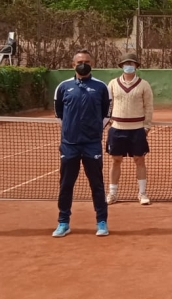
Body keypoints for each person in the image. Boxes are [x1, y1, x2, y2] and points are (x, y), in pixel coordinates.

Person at [52, 50, 112, 238]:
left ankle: (101, 222)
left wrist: (95, 131)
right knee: (66, 184)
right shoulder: (63, 87)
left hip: (92, 144)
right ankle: (63, 222)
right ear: (73, 65)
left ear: (92, 64)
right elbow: (59, 113)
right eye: (79, 61)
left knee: (97, 185)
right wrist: (70, 131)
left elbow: (107, 113)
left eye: (86, 61)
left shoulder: (101, 87)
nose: (83, 64)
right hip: (69, 145)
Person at [106, 53, 154, 205]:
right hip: (117, 129)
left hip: (137, 129)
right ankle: (112, 194)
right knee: (116, 160)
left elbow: (149, 107)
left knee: (139, 160)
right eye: (126, 63)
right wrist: (108, 120)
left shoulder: (144, 85)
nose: (129, 66)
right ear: (121, 66)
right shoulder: (113, 83)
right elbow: (108, 104)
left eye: (132, 63)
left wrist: (146, 126)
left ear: (136, 66)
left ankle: (142, 193)